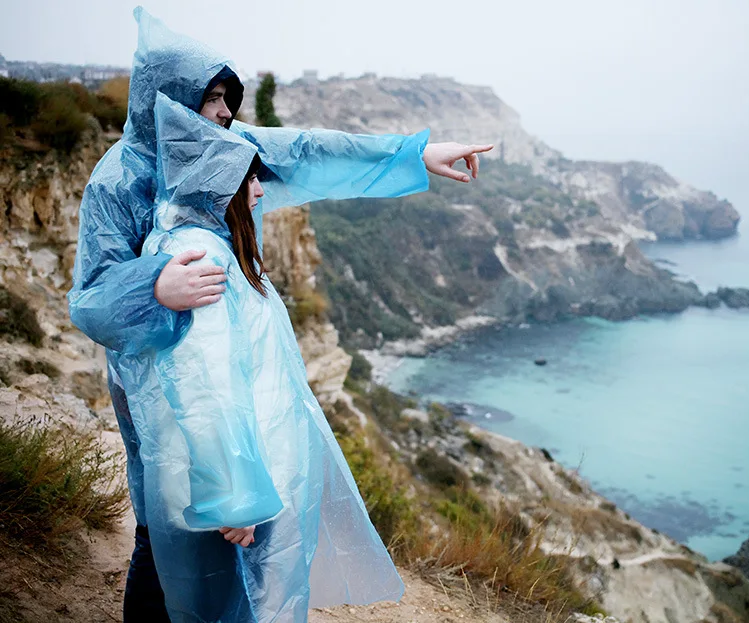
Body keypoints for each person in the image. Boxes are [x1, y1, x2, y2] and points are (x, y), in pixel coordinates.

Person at [67, 7, 492, 621]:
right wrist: (154, 286)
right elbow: (92, 298)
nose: (223, 112)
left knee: (227, 528)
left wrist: (415, 155)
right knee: (163, 522)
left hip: (224, 375)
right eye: (211, 98)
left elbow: (312, 152)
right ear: (169, 97)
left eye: (226, 99)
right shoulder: (118, 181)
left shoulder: (230, 149)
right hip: (154, 379)